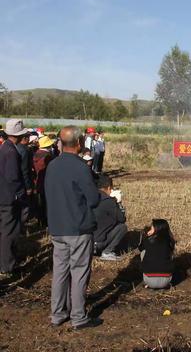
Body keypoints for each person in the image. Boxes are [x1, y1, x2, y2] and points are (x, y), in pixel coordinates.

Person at [44, 126, 102, 330]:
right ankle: (78, 317)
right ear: (78, 144)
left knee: (60, 271)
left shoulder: (52, 165)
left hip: (57, 227)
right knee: (79, 272)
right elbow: (94, 200)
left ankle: (57, 314)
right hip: (78, 228)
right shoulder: (80, 168)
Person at [0, 119, 28, 275]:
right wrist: (20, 194)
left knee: (4, 231)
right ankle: (7, 266)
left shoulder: (4, 147)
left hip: (3, 196)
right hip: (9, 199)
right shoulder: (11, 152)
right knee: (9, 232)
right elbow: (12, 177)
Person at [93, 174, 127, 261]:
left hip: (83, 243)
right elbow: (122, 219)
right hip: (97, 245)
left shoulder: (89, 197)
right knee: (122, 227)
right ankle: (107, 252)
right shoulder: (109, 201)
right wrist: (118, 202)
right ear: (109, 188)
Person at [138, 219, 175, 289]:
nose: (150, 230)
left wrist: (146, 237)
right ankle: (166, 283)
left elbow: (140, 248)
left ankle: (147, 283)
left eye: (151, 228)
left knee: (143, 252)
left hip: (149, 278)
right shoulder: (169, 240)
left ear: (156, 229)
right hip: (166, 280)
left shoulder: (148, 239)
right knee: (170, 254)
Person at [33, 135, 55, 226]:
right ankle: (45, 221)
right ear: (48, 146)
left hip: (36, 181)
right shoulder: (48, 156)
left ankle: (39, 220)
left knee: (39, 202)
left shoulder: (36, 153)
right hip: (46, 182)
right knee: (46, 203)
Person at [15, 132, 34, 224]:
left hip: (16, 180)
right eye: (28, 137)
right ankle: (22, 226)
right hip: (23, 181)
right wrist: (28, 186)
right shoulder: (25, 150)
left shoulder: (16, 147)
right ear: (25, 138)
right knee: (25, 205)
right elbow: (25, 169)